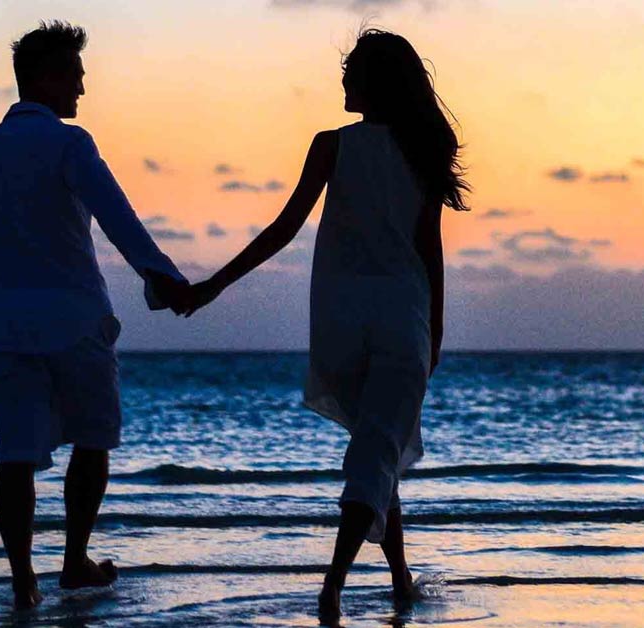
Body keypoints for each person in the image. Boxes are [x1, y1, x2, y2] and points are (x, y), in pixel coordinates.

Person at [184, 28, 469, 622]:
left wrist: (214, 284)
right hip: (402, 320)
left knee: (376, 448)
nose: (342, 80)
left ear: (373, 82)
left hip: (341, 325)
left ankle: (400, 578)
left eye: (350, 72)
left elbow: (283, 229)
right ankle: (333, 585)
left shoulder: (331, 145)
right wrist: (436, 332)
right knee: (374, 454)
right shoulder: (422, 151)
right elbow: (429, 249)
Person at [0, 20, 190, 609]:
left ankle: (22, 581)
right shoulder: (70, 143)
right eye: (77, 77)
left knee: (15, 454)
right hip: (73, 317)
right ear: (48, 76)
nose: (82, 92)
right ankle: (73, 560)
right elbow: (116, 216)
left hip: (5, 320)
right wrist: (163, 279)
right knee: (92, 440)